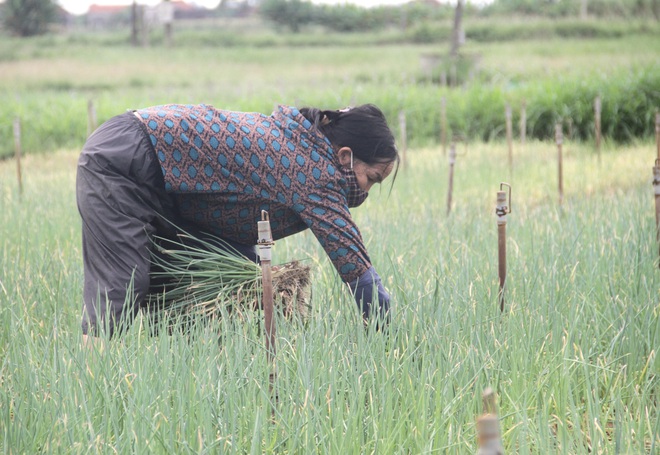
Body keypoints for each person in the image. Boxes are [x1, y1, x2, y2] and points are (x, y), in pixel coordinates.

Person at [76, 103, 399, 340]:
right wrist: (391, 340)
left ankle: (180, 394)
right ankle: (85, 391)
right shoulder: (314, 171)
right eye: (370, 178)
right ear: (345, 156)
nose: (365, 191)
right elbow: (355, 266)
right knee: (122, 288)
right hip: (124, 161)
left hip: (168, 185)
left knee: (184, 296)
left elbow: (235, 218)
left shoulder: (302, 144)